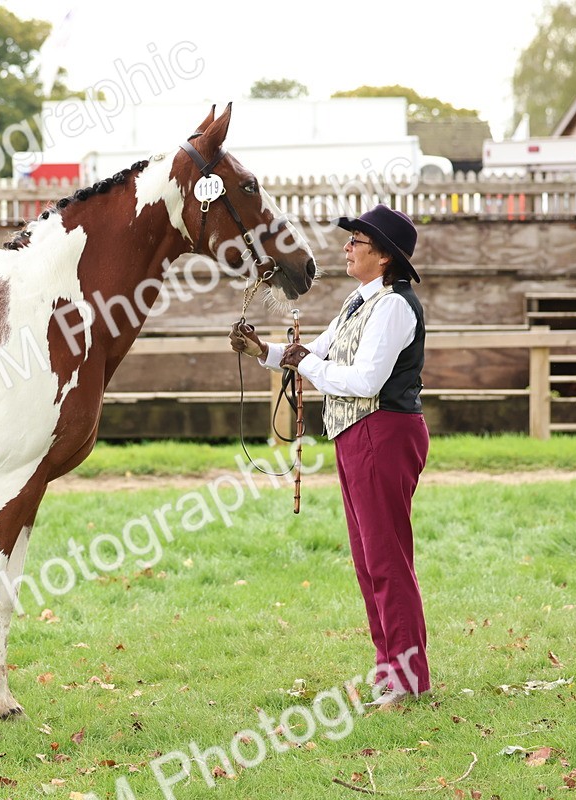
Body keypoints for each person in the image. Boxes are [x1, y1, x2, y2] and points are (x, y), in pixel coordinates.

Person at [229, 204, 429, 706]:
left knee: (387, 559)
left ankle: (406, 678)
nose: (347, 247)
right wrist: (264, 352)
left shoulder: (395, 308)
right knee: (368, 560)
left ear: (384, 257)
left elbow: (364, 380)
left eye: (357, 242)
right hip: (357, 433)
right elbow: (313, 353)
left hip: (383, 431)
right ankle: (390, 668)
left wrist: (306, 365)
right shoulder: (359, 304)